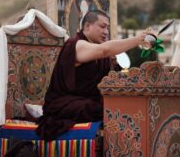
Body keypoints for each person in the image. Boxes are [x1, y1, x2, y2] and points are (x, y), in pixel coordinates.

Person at [36, 10, 148, 140]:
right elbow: (104, 50)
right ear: (88, 26)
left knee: (122, 102)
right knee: (107, 109)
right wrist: (138, 39)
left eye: (107, 27)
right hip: (64, 104)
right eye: (102, 26)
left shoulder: (99, 52)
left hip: (89, 100)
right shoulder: (77, 44)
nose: (106, 32)